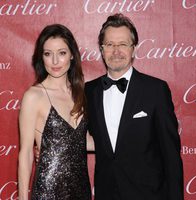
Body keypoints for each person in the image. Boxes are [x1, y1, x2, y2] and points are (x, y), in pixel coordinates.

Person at [85, 13, 184, 200]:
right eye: (110, 45)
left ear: (134, 49)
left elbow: (171, 155)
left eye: (123, 44)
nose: (116, 51)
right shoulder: (89, 91)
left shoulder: (155, 90)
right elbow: (84, 137)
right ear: (101, 49)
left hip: (149, 195)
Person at [18, 24, 92, 200]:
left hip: (82, 191)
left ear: (72, 55)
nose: (55, 61)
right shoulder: (34, 96)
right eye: (47, 54)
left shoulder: (82, 93)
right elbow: (26, 152)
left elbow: (83, 141)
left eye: (62, 53)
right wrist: (22, 198)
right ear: (41, 57)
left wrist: (128, 141)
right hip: (48, 191)